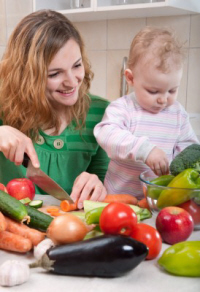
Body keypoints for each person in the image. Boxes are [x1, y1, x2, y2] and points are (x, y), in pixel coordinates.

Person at [0, 9, 110, 209]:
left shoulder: (101, 113)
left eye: (77, 66)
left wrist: (97, 185)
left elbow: (104, 184)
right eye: (55, 74)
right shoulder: (3, 109)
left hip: (71, 230)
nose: (71, 82)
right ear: (26, 76)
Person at [94, 26, 199, 199]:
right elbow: (106, 134)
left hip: (158, 201)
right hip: (120, 200)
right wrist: (144, 150)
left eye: (172, 90)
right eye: (153, 91)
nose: (163, 99)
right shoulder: (123, 108)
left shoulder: (178, 114)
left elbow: (188, 148)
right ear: (130, 78)